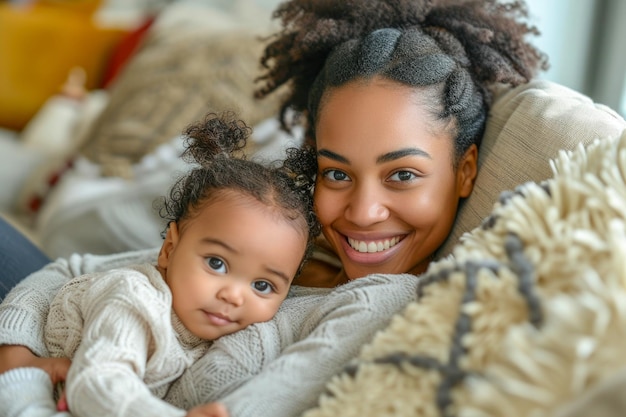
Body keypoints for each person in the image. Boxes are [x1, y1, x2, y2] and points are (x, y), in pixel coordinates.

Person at [0, 1, 548, 416]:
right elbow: (91, 271)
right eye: (337, 173)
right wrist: (17, 354)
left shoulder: (391, 303)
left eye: (401, 175)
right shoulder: (283, 231)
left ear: (466, 171)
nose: (363, 211)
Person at [0, 111, 320, 417]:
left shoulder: (221, 328)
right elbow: (97, 382)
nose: (234, 296)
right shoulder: (135, 299)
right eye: (217, 264)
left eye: (262, 286)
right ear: (168, 248)